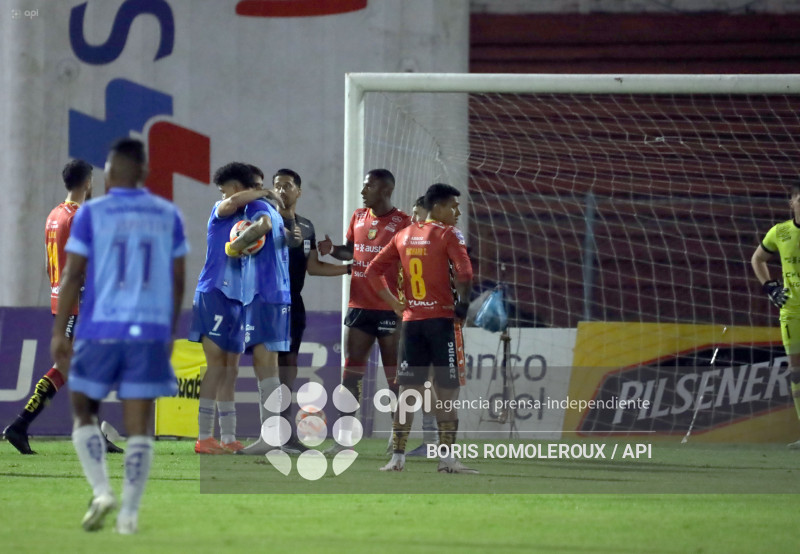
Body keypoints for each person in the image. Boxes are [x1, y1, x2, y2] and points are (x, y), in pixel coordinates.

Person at [51, 137, 188, 533]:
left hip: (100, 329)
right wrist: (168, 331)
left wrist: (60, 332)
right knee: (140, 424)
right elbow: (177, 281)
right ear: (145, 173)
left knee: (83, 412)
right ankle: (128, 514)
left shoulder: (92, 214)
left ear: (109, 175)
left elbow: (73, 274)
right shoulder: (167, 214)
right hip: (147, 331)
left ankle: (101, 490)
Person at [3, 160, 122, 455]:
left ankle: (92, 434)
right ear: (88, 183)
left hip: (62, 299)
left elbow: (49, 265)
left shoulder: (54, 215)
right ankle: (19, 425)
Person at [365, 183, 477, 474]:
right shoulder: (448, 234)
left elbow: (372, 270)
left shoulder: (403, 235)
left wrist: (393, 303)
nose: (457, 211)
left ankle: (397, 459)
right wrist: (463, 304)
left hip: (412, 324)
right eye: (453, 205)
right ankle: (447, 459)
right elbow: (465, 271)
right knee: (446, 393)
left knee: (407, 393)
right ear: (437, 208)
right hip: (441, 323)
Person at [317, 169, 411, 454]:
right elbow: (351, 251)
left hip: (390, 308)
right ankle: (345, 438)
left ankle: (398, 439)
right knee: (351, 373)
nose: (362, 191)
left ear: (385, 190)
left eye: (368, 186)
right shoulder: (358, 216)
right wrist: (333, 249)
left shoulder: (403, 223)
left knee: (396, 377)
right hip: (359, 306)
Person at [189, 162, 277, 454]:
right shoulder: (221, 209)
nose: (222, 193)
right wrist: (263, 192)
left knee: (231, 369)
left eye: (224, 187)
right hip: (213, 292)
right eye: (255, 186)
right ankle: (203, 437)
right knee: (215, 367)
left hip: (238, 299)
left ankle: (227, 437)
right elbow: (231, 202)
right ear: (243, 188)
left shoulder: (250, 218)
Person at [271, 168, 349, 453]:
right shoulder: (265, 221)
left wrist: (350, 268)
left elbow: (313, 267)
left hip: (294, 302)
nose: (282, 190)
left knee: (288, 369)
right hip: (268, 302)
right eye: (277, 185)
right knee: (267, 366)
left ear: (299, 191)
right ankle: (270, 435)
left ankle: (286, 434)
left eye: (288, 185)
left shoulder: (306, 226)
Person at [228, 170, 292, 455]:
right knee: (270, 365)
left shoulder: (256, 207)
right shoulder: (275, 210)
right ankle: (274, 436)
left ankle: (271, 437)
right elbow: (286, 238)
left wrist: (236, 245)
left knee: (264, 364)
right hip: (277, 292)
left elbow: (262, 227)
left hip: (263, 293)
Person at [751, 179, 800, 450]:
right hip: (792, 311)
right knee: (796, 372)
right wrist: (770, 286)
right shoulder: (780, 232)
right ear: (791, 203)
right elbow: (757, 259)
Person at [404, 195, 439, 458]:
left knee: (426, 382)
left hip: (433, 320)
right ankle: (432, 441)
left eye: (418, 213)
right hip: (418, 318)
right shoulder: (413, 242)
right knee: (423, 383)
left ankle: (433, 441)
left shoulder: (440, 241)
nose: (413, 218)